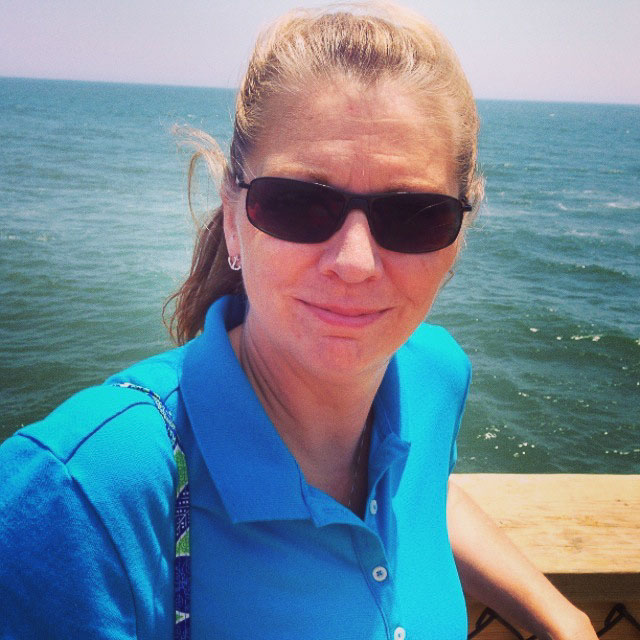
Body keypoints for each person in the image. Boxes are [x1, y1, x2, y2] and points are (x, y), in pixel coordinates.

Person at [0, 3, 598, 639]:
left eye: (414, 215)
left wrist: (561, 616)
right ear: (234, 219)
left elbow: (420, 489)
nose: (355, 262)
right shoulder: (79, 497)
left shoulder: (434, 372)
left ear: (456, 240)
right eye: (298, 204)